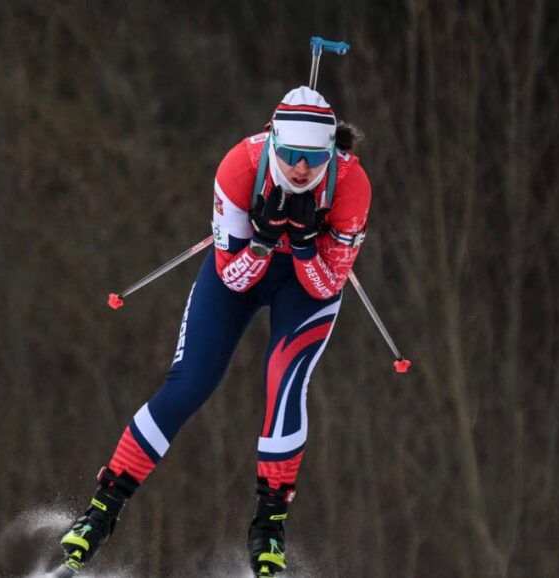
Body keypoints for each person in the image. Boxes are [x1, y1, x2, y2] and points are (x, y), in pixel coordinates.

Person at [57, 86, 371, 577]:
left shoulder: (352, 187)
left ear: (331, 152)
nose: (301, 168)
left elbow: (328, 283)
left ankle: (269, 526)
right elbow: (232, 277)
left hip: (306, 287)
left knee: (283, 381)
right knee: (190, 382)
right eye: (290, 154)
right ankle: (102, 508)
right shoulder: (239, 169)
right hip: (242, 272)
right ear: (272, 141)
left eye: (313, 157)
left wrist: (306, 246)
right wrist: (265, 244)